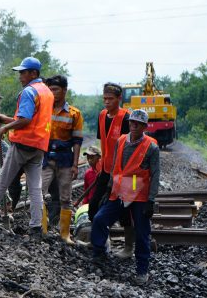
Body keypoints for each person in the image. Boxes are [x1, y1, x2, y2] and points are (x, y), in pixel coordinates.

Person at [0, 57, 54, 239]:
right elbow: (34, 119)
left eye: (23, 72)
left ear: (33, 73)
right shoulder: (46, 92)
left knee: (2, 181)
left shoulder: (29, 92)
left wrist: (6, 127)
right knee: (35, 187)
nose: (20, 76)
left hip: (23, 144)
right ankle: (36, 228)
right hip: (39, 145)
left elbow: (25, 120)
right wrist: (7, 118)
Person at [91, 109, 160, 285]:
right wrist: (108, 190)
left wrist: (151, 201)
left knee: (142, 234)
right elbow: (115, 167)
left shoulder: (151, 146)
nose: (133, 125)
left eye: (137, 123)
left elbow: (155, 175)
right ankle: (99, 253)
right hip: (119, 193)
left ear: (144, 126)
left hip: (139, 196)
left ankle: (142, 271)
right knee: (99, 219)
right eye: (131, 122)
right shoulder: (121, 140)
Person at [89, 82, 133, 258]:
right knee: (94, 207)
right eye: (104, 99)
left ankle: (129, 247)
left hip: (123, 173)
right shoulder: (102, 115)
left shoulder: (126, 118)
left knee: (125, 210)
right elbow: (104, 142)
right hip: (107, 170)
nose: (107, 102)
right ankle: (101, 242)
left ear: (119, 98)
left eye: (110, 99)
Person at [40, 75, 83, 244]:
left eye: (56, 89)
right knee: (40, 193)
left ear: (65, 90)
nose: (53, 93)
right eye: (50, 90)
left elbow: (77, 141)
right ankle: (42, 229)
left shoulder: (74, 114)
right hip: (46, 158)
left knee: (66, 198)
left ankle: (65, 234)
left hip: (65, 159)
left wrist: (75, 165)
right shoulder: (44, 109)